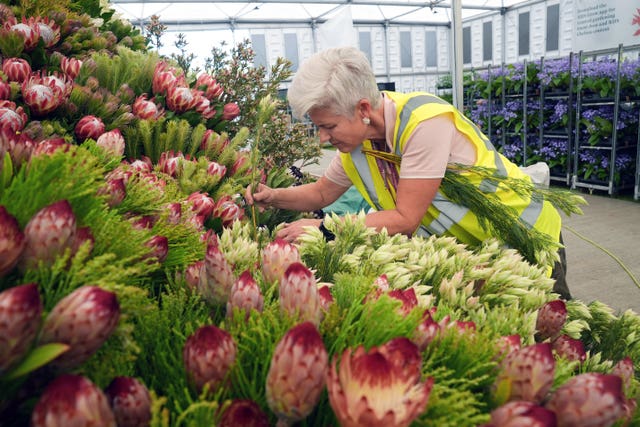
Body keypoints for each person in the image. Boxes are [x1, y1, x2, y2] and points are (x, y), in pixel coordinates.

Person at [245, 46, 571, 299]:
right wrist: (273, 197)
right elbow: (320, 193)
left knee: (553, 337)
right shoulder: (357, 143)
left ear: (362, 110)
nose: (323, 138)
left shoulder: (423, 123)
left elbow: (405, 219)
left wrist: (323, 227)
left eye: (328, 126)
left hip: (524, 235)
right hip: (479, 252)